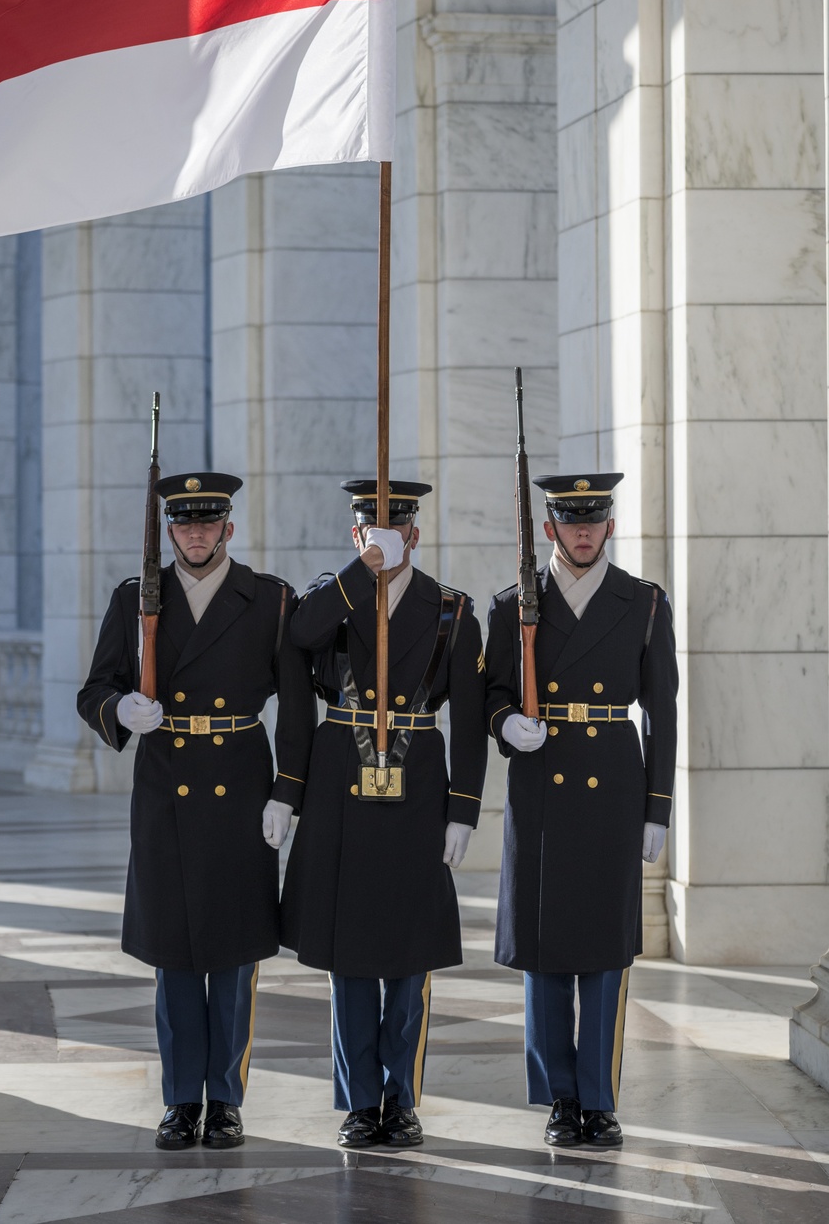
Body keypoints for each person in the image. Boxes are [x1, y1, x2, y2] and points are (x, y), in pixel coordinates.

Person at [77, 471, 316, 1152]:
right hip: (166, 787)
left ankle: (227, 1100)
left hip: (241, 785)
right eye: (184, 525)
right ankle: (182, 1100)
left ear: (229, 530)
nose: (197, 535)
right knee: (174, 954)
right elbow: (96, 686)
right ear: (171, 531)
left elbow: (298, 708)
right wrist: (121, 709)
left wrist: (286, 792)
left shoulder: (269, 600)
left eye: (209, 524)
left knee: (235, 955)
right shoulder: (136, 598)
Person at [280, 479, 488, 1149]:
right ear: (356, 536)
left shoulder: (451, 611)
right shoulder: (332, 599)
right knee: (349, 955)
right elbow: (298, 639)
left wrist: (464, 809)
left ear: (416, 536)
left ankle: (401, 1100)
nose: (385, 540)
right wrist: (355, 577)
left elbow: (474, 720)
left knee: (408, 953)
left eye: (396, 531)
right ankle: (358, 1101)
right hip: (342, 784)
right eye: (373, 530)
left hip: (416, 787)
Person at [485, 472, 677, 1149]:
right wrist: (508, 722)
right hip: (541, 787)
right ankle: (560, 1098)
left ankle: (599, 1099)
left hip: (612, 789)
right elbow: (494, 690)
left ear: (611, 525)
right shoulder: (514, 606)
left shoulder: (645, 603)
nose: (584, 529)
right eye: (571, 520)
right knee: (545, 952)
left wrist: (658, 807)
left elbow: (662, 710)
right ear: (549, 530)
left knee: (603, 954)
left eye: (595, 518)